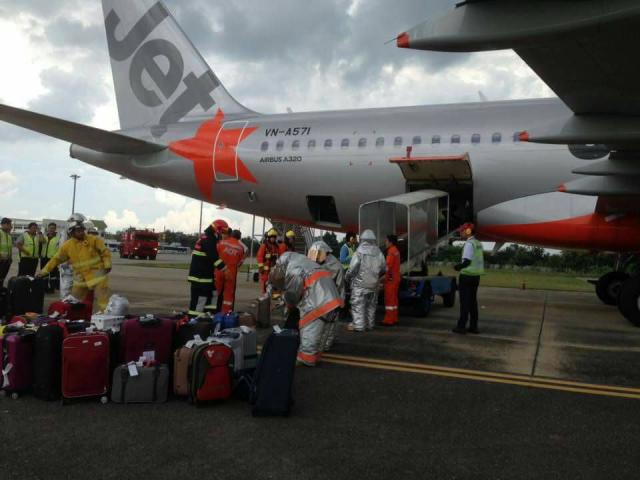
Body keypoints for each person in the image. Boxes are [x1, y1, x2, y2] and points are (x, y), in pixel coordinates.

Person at [270, 252, 342, 366]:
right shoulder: (304, 263)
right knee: (322, 331)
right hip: (333, 299)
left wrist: (288, 304)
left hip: (319, 301)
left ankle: (306, 358)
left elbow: (293, 294)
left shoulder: (293, 269)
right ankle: (316, 354)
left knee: (310, 327)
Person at [37, 214, 112, 311]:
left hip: (98, 276)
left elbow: (105, 252)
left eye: (82, 230)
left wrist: (107, 265)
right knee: (74, 301)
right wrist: (43, 272)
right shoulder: (67, 246)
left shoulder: (94, 240)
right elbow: (55, 260)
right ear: (71, 232)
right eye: (78, 231)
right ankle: (75, 320)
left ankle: (106, 321)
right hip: (80, 279)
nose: (81, 233)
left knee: (103, 302)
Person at [308, 241, 345, 352]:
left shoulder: (336, 266)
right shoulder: (315, 264)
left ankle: (327, 344)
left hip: (331, 299)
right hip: (318, 298)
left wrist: (340, 302)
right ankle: (321, 343)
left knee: (330, 323)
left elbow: (341, 285)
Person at [345, 229, 386, 332]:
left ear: (362, 239)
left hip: (360, 285)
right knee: (371, 307)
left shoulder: (359, 252)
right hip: (374, 285)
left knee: (358, 305)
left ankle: (359, 326)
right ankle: (370, 324)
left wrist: (347, 277)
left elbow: (353, 268)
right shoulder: (379, 253)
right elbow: (384, 267)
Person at [187, 219, 227, 317]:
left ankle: (209, 316)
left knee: (212, 294)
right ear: (217, 229)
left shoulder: (209, 238)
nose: (223, 234)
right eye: (223, 231)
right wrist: (226, 269)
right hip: (200, 277)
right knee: (200, 299)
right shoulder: (208, 239)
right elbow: (213, 257)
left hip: (205, 276)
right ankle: (194, 320)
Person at [452, 223, 485, 335]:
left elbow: (466, 261)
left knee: (465, 302)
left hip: (466, 276)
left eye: (462, 231)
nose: (460, 233)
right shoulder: (478, 243)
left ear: (468, 232)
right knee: (473, 302)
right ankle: (473, 326)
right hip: (476, 277)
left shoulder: (469, 244)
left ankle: (461, 327)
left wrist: (457, 267)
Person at [216, 227, 246, 313]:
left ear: (231, 235)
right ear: (239, 237)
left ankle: (214, 310)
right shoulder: (240, 247)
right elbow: (239, 262)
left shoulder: (221, 243)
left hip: (219, 270)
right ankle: (226, 312)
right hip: (231, 273)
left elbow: (215, 256)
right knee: (228, 294)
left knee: (216, 292)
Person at [382, 234, 401, 327]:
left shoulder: (391, 252)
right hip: (396, 278)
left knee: (389, 301)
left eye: (386, 241)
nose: (385, 243)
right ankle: (394, 318)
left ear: (390, 242)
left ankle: (388, 320)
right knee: (394, 301)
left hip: (390, 280)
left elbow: (387, 267)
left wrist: (380, 275)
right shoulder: (396, 251)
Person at [256, 228, 280, 294]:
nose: (273, 239)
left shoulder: (276, 246)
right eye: (272, 237)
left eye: (274, 237)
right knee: (265, 279)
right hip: (265, 266)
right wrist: (261, 266)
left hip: (273, 266)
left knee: (275, 280)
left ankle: (275, 295)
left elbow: (278, 256)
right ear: (269, 238)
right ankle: (264, 293)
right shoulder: (264, 246)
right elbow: (259, 256)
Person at [40, 222, 61, 292]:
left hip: (53, 259)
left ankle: (52, 288)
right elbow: (41, 242)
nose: (51, 229)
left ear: (55, 229)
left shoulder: (58, 237)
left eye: (53, 228)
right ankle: (44, 287)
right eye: (50, 228)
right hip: (44, 258)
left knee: (53, 275)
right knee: (43, 274)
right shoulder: (44, 236)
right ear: (48, 228)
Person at [0, 218, 13, 287]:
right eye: (10, 225)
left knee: (2, 278)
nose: (11, 226)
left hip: (6, 261)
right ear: (4, 224)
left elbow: (9, 248)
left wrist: (10, 258)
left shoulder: (8, 236)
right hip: (1, 260)